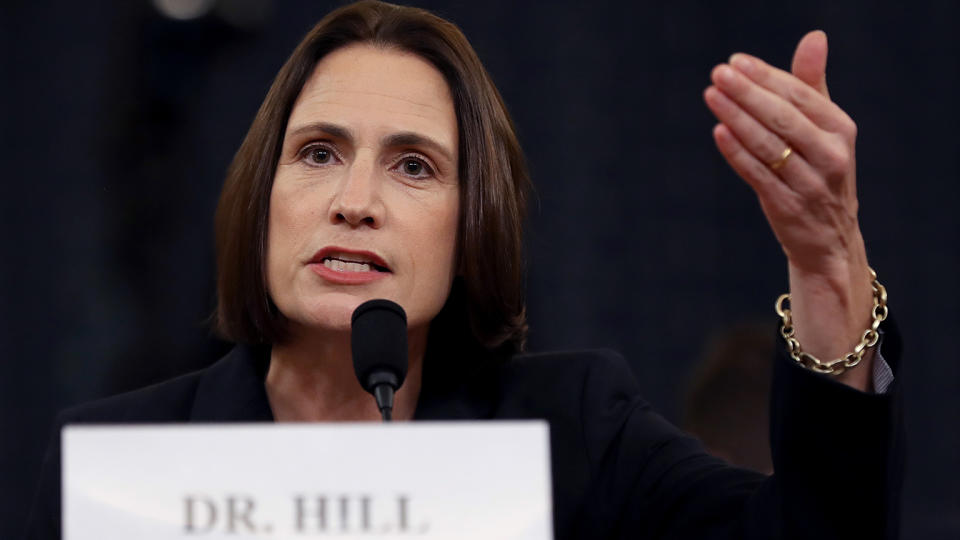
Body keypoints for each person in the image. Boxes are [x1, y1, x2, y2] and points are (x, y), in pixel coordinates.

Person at [24, 1, 903, 539]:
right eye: (319, 153)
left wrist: (827, 268)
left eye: (414, 166)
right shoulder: (113, 472)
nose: (355, 200)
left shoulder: (575, 443)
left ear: (469, 228)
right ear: (262, 199)